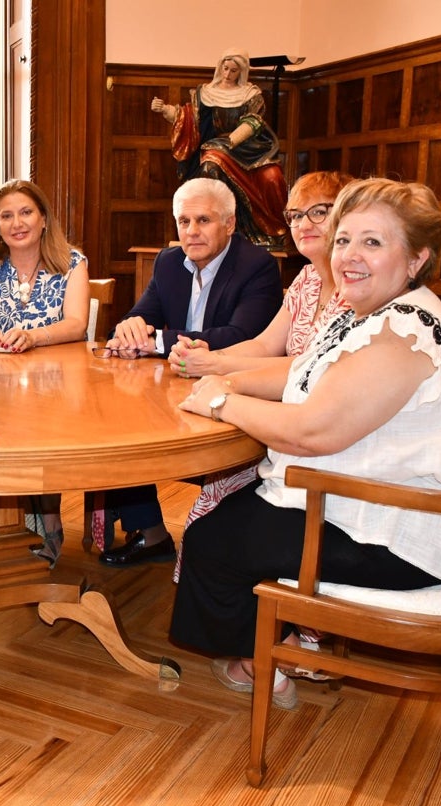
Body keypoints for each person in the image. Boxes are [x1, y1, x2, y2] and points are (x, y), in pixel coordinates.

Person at [174, 178, 441, 710]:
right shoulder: (369, 311)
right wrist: (224, 381)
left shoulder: (403, 332)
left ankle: (263, 660)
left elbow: (312, 432)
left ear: (416, 258)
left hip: (410, 532)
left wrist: (218, 404)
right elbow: (301, 372)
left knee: (213, 539)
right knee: (228, 516)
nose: (349, 255)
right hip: (377, 501)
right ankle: (283, 639)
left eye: (373, 242)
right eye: (345, 239)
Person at [162, 171, 356, 579]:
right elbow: (266, 345)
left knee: (220, 504)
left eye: (318, 212)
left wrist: (216, 371)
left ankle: (295, 618)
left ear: (350, 215)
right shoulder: (305, 280)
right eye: (295, 215)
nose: (304, 224)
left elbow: (310, 367)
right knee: (211, 502)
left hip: (328, 438)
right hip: (284, 422)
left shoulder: (359, 287)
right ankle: (246, 614)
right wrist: (208, 355)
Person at [96, 177, 280, 568]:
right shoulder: (168, 262)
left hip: (230, 391)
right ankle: (151, 533)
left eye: (203, 221)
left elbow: (240, 337)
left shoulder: (257, 266)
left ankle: (217, 548)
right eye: (184, 222)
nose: (191, 232)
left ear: (229, 224)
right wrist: (131, 330)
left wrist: (156, 341)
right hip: (173, 388)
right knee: (118, 423)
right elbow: (137, 318)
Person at [0, 179, 90, 564]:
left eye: (25, 212)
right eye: (5, 216)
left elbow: (77, 324)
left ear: (43, 218)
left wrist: (35, 336)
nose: (16, 222)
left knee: (42, 429)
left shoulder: (72, 262)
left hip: (54, 386)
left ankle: (48, 521)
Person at [151, 47, 288, 246]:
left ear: (241, 72)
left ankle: (267, 232)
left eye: (233, 71)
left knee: (272, 177)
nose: (227, 74)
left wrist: (232, 141)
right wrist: (165, 110)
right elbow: (189, 118)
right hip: (214, 148)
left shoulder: (251, 94)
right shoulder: (206, 93)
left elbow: (253, 122)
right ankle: (209, 227)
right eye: (225, 68)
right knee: (210, 164)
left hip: (248, 148)